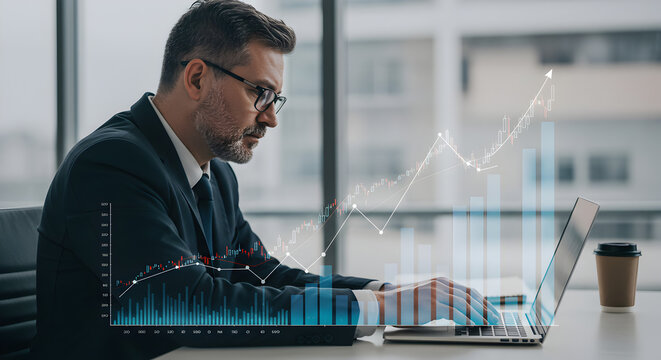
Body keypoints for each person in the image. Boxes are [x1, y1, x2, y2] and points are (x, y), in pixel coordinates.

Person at [32, 0, 498, 358]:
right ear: (197, 78)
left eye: (277, 99)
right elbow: (186, 305)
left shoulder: (213, 173)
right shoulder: (112, 164)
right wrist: (378, 312)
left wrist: (384, 294)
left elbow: (260, 273)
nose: (271, 119)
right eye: (261, 94)